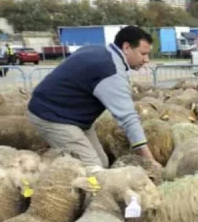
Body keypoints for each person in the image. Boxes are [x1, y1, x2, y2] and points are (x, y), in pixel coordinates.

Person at [27, 26, 158, 169]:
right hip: (53, 116)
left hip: (69, 114)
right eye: (143, 53)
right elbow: (128, 118)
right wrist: (149, 160)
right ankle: (60, 186)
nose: (147, 60)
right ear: (126, 47)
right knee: (92, 167)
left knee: (102, 162)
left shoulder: (98, 50)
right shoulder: (110, 71)